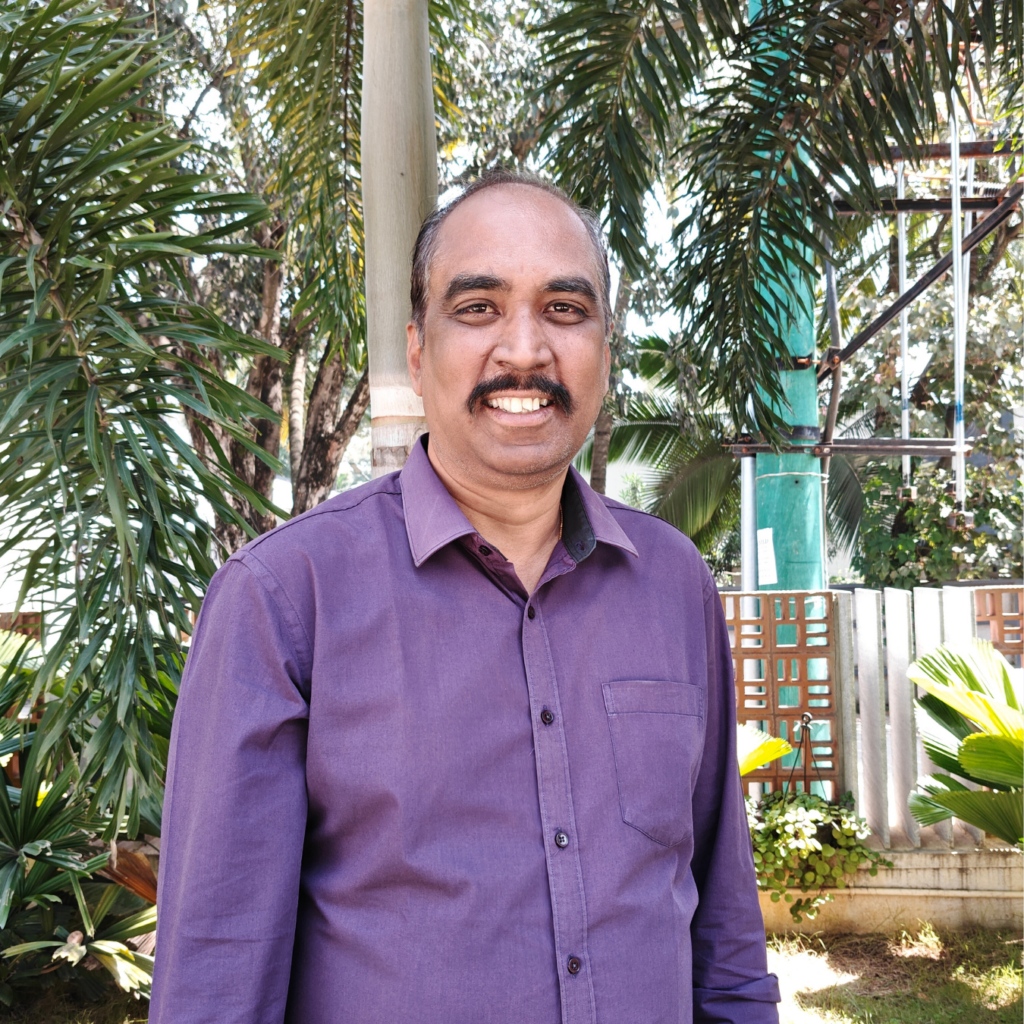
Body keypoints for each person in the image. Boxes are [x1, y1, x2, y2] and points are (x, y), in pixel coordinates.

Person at [151, 170, 780, 1024]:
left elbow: (724, 934)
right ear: (418, 347)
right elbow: (219, 980)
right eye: (478, 308)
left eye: (565, 310)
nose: (524, 351)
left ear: (606, 346)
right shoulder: (283, 601)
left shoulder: (673, 585)